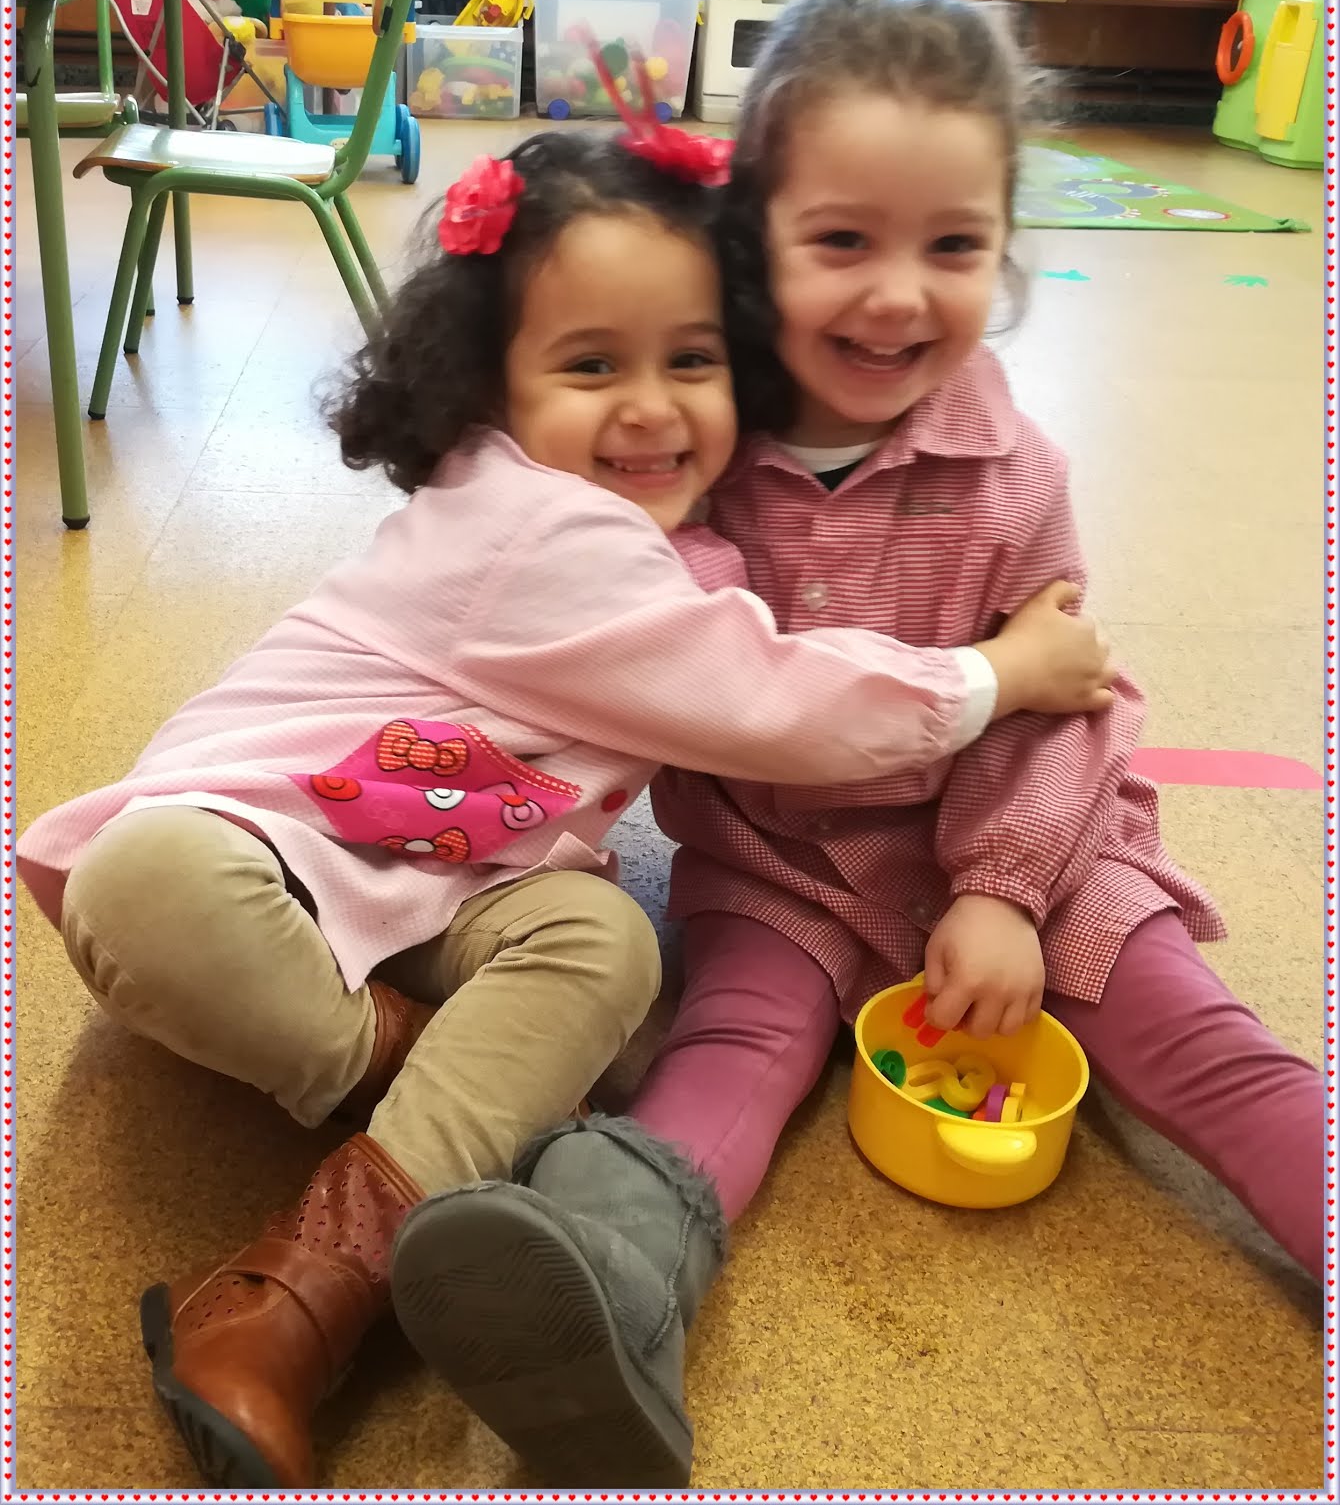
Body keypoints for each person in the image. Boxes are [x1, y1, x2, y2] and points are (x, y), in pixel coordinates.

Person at [18, 127, 1113, 1490]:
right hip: (278, 841)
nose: (650, 409)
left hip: (467, 877)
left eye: (693, 362)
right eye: (592, 366)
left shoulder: (675, 539)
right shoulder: (539, 525)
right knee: (150, 881)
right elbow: (774, 696)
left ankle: (295, 1304)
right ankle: (433, 1088)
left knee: (608, 942)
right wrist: (999, 675)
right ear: (489, 386)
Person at [391, 0, 1326, 1489]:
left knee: (1199, 1041)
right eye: (842, 241)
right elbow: (661, 646)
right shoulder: (692, 440)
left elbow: (1063, 698)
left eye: (952, 247)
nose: (898, 297)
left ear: (1004, 250)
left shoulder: (1017, 470)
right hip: (781, 869)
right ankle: (609, 1287)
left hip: (1048, 858)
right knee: (731, 1050)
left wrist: (1002, 891)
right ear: (751, 243)